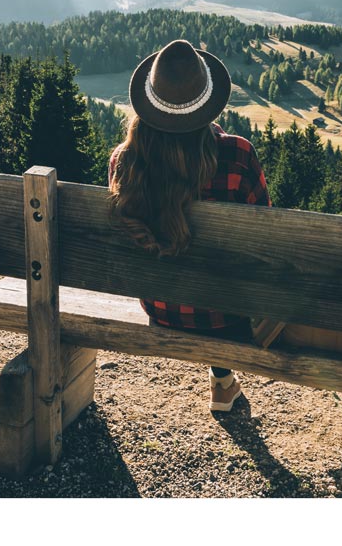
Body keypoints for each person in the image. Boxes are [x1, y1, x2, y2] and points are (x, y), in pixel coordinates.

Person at [107, 39, 270, 413]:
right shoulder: (238, 156)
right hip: (228, 316)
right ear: (208, 99)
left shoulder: (124, 162)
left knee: (195, 278)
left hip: (160, 306)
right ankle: (222, 382)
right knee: (217, 282)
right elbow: (265, 248)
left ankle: (223, 382)